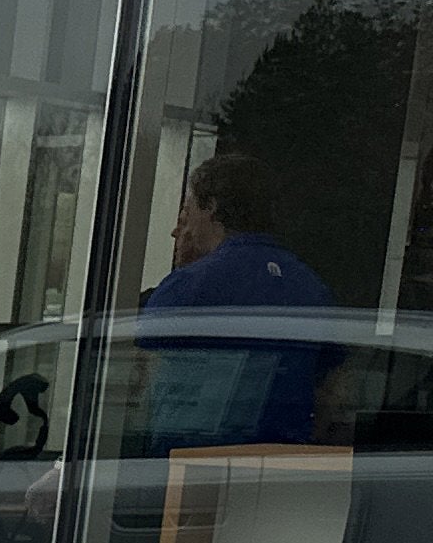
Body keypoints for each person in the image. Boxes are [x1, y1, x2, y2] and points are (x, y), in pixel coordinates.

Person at [138, 152, 332, 449]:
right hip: (282, 467)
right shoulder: (312, 288)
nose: (180, 229)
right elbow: (330, 390)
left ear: (212, 208)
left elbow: (145, 383)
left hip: (190, 469)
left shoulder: (190, 286)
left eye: (188, 212)